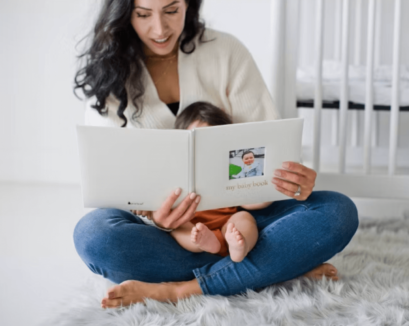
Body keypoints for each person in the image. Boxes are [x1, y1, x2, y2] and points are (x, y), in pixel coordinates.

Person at [73, 0, 358, 309]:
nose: (159, 28)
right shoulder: (110, 77)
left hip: (241, 217)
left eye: (171, 10)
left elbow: (267, 149)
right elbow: (114, 183)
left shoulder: (226, 52)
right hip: (174, 233)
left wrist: (291, 178)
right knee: (93, 235)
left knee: (337, 211)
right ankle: (273, 268)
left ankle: (182, 290)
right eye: (143, 14)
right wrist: (158, 219)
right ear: (124, 14)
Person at [133, 101, 269, 263]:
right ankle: (205, 244)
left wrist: (267, 192)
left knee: (245, 218)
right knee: (180, 228)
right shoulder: (174, 171)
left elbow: (251, 200)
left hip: (227, 223)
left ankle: (240, 248)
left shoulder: (231, 168)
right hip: (188, 222)